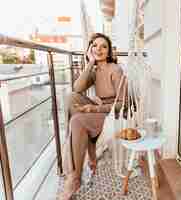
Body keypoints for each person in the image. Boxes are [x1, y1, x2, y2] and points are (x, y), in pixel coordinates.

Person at [60, 33, 125, 200]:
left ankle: (75, 177)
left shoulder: (115, 70)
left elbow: (121, 104)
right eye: (95, 45)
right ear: (90, 49)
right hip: (98, 109)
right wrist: (89, 62)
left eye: (104, 46)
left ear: (109, 51)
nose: (99, 49)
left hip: (110, 113)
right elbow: (77, 88)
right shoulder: (95, 70)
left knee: (77, 120)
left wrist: (94, 109)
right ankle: (88, 148)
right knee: (71, 98)